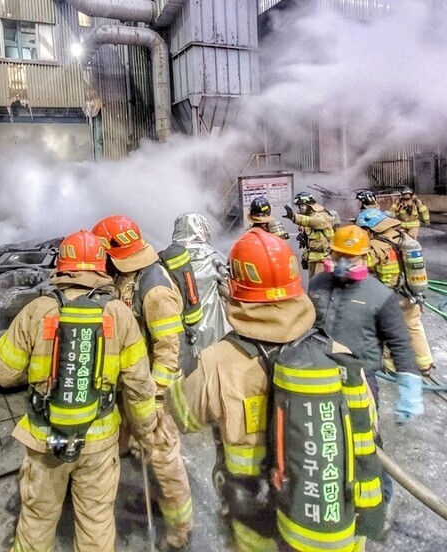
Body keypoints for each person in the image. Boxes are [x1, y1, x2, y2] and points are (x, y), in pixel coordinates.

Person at [167, 228, 386, 552]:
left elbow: (181, 415)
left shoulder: (216, 362)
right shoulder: (339, 355)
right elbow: (369, 427)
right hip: (336, 535)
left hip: (258, 534)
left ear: (236, 289)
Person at [0, 230, 158, 552]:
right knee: (96, 521)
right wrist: (146, 430)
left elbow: (0, 371)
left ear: (62, 267)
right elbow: (139, 383)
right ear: (100, 266)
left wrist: (39, 371)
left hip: (44, 439)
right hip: (100, 440)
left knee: (37, 520)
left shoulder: (39, 310)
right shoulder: (119, 313)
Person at [306, 225, 424, 516]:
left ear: (364, 258)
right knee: (325, 443)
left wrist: (409, 387)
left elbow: (400, 343)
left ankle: (378, 503)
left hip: (360, 383)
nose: (344, 261)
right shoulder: (317, 283)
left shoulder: (380, 296)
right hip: (317, 376)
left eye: (352, 257)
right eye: (339, 254)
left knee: (367, 446)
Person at [93, 215, 194, 552]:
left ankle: (180, 531)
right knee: (142, 450)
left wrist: (156, 399)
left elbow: (169, 352)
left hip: (156, 391)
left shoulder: (155, 290)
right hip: (137, 385)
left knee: (164, 458)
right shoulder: (130, 275)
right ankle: (156, 502)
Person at [355, 209, 435, 374]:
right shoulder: (403, 236)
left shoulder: (378, 244)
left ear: (369, 228)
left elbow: (361, 263)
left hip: (391, 296)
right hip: (412, 292)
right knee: (413, 326)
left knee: (388, 329)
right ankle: (425, 363)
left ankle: (390, 365)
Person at [171, 212, 231, 374]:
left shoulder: (169, 259)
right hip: (212, 325)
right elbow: (228, 288)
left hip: (181, 327)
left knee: (185, 372)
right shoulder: (212, 257)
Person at [283, 191, 336, 275]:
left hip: (323, 259)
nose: (300, 208)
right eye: (299, 206)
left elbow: (313, 221)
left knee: (319, 285)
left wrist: (294, 217)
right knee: (312, 285)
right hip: (313, 259)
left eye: (302, 205)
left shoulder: (322, 215)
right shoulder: (308, 217)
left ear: (309, 205)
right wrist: (305, 257)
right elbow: (310, 242)